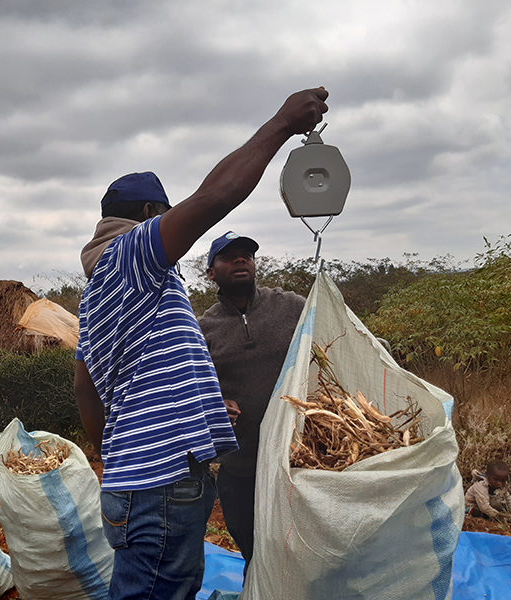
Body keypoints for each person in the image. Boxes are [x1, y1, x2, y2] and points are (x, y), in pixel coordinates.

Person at [74, 87, 329, 600]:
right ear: (150, 212)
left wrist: (116, 450)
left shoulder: (104, 289)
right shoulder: (130, 255)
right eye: (169, 215)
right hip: (160, 484)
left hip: (144, 478)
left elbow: (84, 385)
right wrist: (282, 123)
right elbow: (215, 197)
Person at [197, 232, 306, 574]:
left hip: (298, 460)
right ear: (211, 272)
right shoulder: (203, 329)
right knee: (255, 555)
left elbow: (334, 330)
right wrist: (216, 405)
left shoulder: (289, 305)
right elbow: (195, 390)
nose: (241, 259)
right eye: (229, 256)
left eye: (246, 254)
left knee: (302, 550)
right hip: (241, 465)